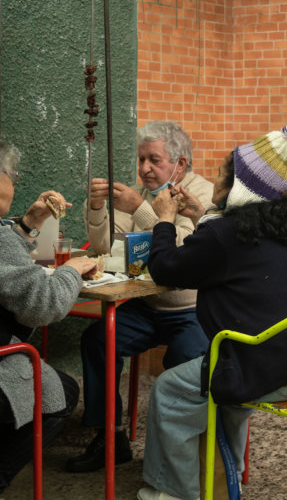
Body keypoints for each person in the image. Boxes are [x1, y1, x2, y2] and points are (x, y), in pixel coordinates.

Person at [136, 123, 287, 500]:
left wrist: (162, 219)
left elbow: (166, 268)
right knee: (219, 382)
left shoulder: (226, 235)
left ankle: (170, 493)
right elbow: (220, 253)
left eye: (222, 180)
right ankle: (229, 476)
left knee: (168, 391)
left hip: (261, 371)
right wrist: (204, 213)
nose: (217, 187)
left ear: (238, 188)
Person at [66, 121, 213, 473]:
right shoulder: (140, 194)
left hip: (195, 310)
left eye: (154, 160)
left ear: (180, 163)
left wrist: (139, 209)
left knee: (182, 360)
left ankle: (180, 451)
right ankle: (110, 437)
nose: (144, 168)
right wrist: (98, 209)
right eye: (141, 159)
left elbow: (182, 253)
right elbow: (106, 248)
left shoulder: (200, 193)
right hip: (148, 306)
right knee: (99, 340)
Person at [0, 139, 97, 498]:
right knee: (62, 393)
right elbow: (42, 303)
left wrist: (29, 223)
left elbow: (0, 257)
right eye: (12, 175)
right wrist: (75, 271)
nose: (14, 183)